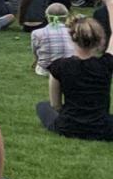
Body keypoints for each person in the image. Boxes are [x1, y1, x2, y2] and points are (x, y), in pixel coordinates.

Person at [40, 8, 113, 141]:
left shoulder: (59, 66)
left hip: (69, 126)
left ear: (73, 38)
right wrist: (110, 4)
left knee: (42, 107)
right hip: (102, 128)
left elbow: (56, 105)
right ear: (100, 40)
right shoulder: (106, 64)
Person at [31, 3, 76, 76]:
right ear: (66, 17)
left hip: (45, 70)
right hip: (68, 68)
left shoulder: (37, 33)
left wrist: (37, 60)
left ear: (46, 16)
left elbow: (35, 51)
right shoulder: (72, 32)